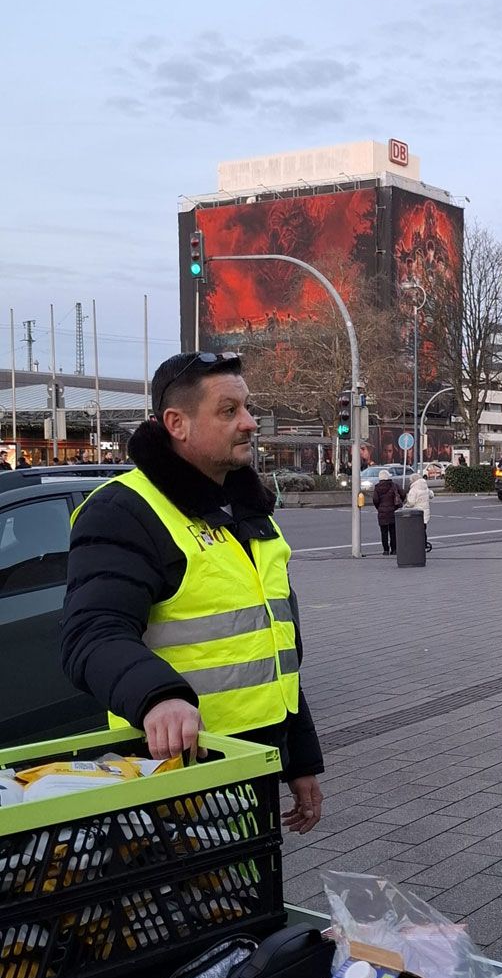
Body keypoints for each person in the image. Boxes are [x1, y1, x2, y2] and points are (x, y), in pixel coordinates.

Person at [60, 352, 323, 836]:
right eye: (229, 411)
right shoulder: (125, 510)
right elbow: (91, 635)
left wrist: (299, 760)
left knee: (246, 901)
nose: (249, 423)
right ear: (177, 423)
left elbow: (275, 646)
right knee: (191, 906)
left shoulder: (246, 510)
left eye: (247, 408)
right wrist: (158, 697)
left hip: (252, 764)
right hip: (174, 774)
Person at [372, 469, 403, 555]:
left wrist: (379, 507)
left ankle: (386, 550)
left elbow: (375, 499)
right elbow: (402, 494)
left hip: (382, 512)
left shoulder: (377, 487)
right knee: (393, 532)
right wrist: (397, 505)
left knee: (384, 532)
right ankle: (394, 549)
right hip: (393, 511)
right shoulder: (394, 485)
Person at [405, 472, 433, 552]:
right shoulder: (425, 487)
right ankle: (424, 544)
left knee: (416, 530)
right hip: (425, 513)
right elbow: (431, 495)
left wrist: (406, 505)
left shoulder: (414, 489)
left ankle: (417, 544)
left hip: (416, 513)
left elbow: (411, 503)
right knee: (423, 529)